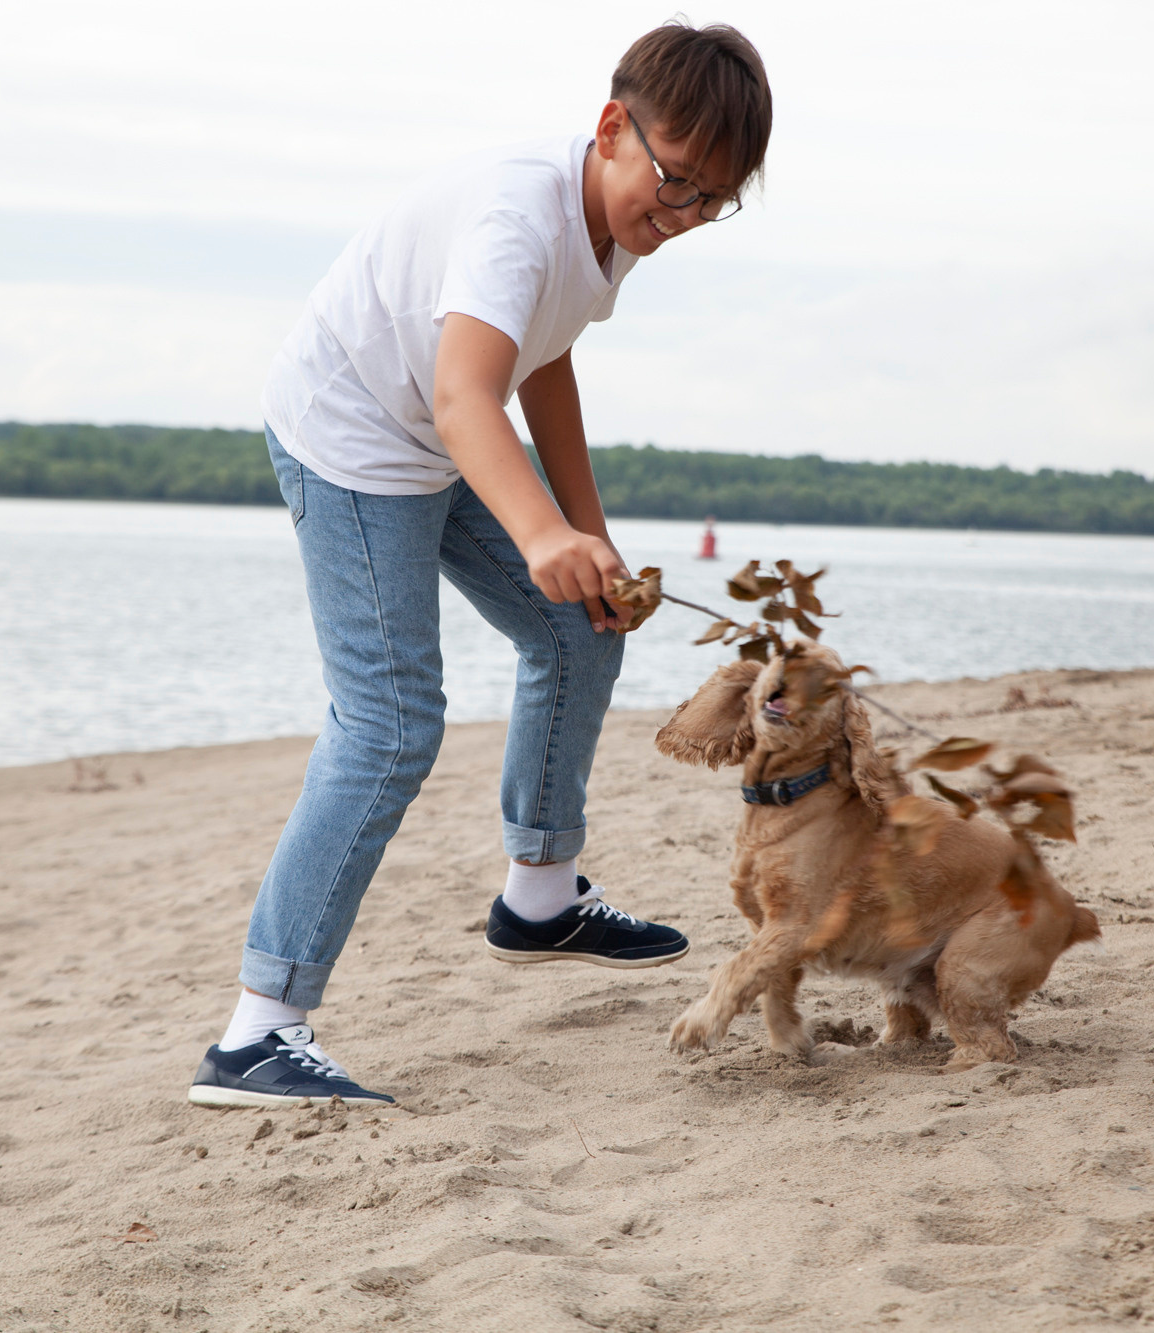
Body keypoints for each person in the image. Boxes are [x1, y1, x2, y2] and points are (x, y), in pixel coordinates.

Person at [188, 21, 773, 1110]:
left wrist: (586, 536)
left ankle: (539, 900)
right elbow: (466, 396)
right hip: (356, 433)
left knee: (576, 625)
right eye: (678, 182)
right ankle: (254, 1033)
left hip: (440, 431)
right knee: (391, 723)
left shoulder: (612, 225)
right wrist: (540, 534)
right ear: (612, 129)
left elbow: (540, 368)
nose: (684, 217)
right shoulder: (516, 215)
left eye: (713, 201)